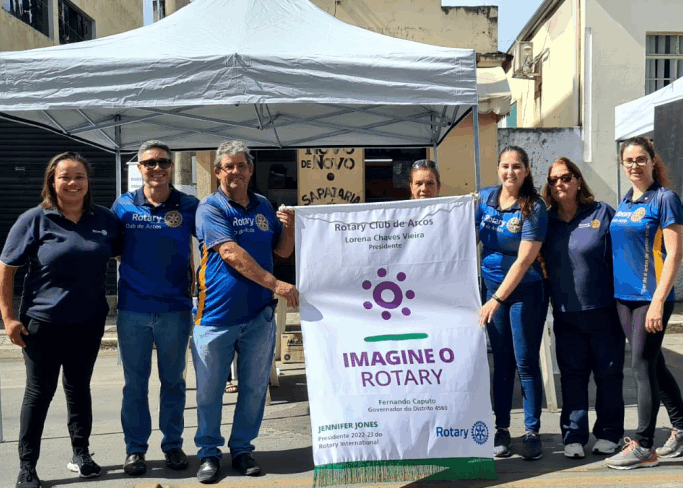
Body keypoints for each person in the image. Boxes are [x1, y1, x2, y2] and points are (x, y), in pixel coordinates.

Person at [0, 152, 121, 488]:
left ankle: (80, 454)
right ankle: (27, 467)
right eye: (65, 176)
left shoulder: (105, 220)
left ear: (88, 182)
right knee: (39, 393)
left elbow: (128, 255)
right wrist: (8, 318)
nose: (72, 183)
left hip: (88, 322)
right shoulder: (34, 219)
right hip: (43, 324)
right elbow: (6, 269)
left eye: (79, 176)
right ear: (52, 181)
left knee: (79, 389)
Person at [192, 140, 298, 483]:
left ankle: (242, 449)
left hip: (258, 316)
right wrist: (278, 286)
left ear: (250, 170)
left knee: (253, 388)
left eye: (241, 166)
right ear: (218, 171)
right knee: (210, 391)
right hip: (215, 317)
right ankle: (209, 453)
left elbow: (281, 250)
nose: (235, 172)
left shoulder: (264, 205)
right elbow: (230, 253)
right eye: (228, 166)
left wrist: (291, 225)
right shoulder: (210, 208)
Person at [110, 140, 199, 476]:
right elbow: (113, 248)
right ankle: (135, 451)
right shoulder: (123, 205)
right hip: (132, 310)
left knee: (173, 382)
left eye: (163, 162)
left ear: (171, 167)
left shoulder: (188, 204)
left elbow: (212, 243)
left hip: (175, 310)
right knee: (135, 385)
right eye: (150, 163)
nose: (157, 168)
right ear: (139, 168)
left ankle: (173, 446)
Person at [605, 137, 683, 469]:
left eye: (640, 159)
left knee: (639, 366)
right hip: (624, 299)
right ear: (622, 165)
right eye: (628, 160)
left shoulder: (665, 199)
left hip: (651, 299)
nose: (634, 165)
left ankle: (644, 445)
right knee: (653, 365)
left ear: (652, 161)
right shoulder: (624, 201)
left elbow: (675, 253)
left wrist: (658, 302)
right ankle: (681, 429)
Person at [541, 157, 625, 459]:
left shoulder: (602, 213)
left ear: (578, 180)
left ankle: (610, 433)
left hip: (604, 310)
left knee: (609, 375)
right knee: (573, 376)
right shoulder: (545, 221)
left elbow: (623, 256)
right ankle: (574, 435)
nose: (559, 184)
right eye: (553, 180)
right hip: (566, 313)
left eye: (565, 177)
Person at [476, 145, 549, 460]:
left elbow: (523, 261)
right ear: (497, 168)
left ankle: (532, 432)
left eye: (517, 166)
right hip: (491, 289)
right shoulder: (483, 199)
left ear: (527, 170)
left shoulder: (534, 206)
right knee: (501, 363)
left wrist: (495, 299)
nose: (510, 172)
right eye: (505, 166)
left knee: (525, 362)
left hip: (525, 292)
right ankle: (502, 429)